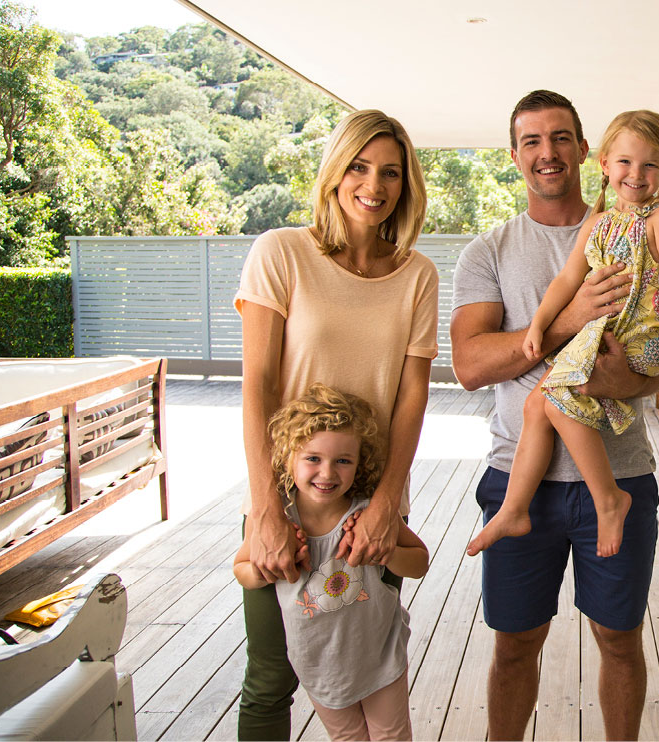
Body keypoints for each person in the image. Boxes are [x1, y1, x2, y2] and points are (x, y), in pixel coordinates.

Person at [451, 90, 659, 741]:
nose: (547, 153)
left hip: (620, 478)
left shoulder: (634, 232)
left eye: (559, 138)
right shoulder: (486, 253)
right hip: (520, 481)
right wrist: (568, 321)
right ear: (515, 154)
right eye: (531, 141)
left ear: (584, 149)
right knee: (515, 645)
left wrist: (614, 376)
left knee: (619, 640)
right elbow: (471, 364)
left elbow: (648, 367)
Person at [235, 109, 438, 740]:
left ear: (406, 185)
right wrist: (267, 508)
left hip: (369, 510)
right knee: (272, 677)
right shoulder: (281, 252)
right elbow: (259, 385)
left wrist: (384, 505)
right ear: (333, 172)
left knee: (369, 671)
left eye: (390, 172)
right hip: (292, 499)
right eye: (358, 166)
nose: (373, 184)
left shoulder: (417, 275)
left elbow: (412, 397)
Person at [466, 110, 659, 559]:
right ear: (605, 163)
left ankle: (608, 499)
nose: (636, 174)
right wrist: (537, 324)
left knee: (551, 400)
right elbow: (567, 281)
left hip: (640, 336)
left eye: (649, 166)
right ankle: (514, 508)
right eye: (626, 162)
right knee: (537, 404)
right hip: (613, 331)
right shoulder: (599, 223)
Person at [233, 384, 429, 741]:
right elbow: (242, 569)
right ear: (287, 456)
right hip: (317, 663)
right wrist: (270, 568)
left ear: (360, 463)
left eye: (343, 461)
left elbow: (419, 563)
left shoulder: (368, 514)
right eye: (313, 459)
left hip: (378, 657)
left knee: (391, 736)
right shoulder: (277, 520)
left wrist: (387, 553)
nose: (327, 473)